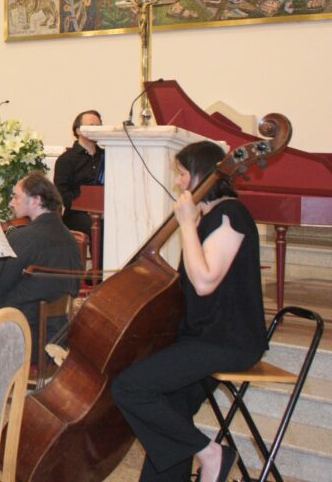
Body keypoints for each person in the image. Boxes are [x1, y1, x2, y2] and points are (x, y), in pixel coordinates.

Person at [112, 141, 266, 482]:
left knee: (129, 388)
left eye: (183, 173)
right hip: (204, 337)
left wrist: (186, 225)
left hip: (228, 341)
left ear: (204, 174)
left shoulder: (230, 214)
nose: (179, 182)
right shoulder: (208, 217)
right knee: (171, 407)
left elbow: (205, 282)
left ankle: (211, 454)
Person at [0, 172, 81, 341]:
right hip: (56, 335)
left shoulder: (23, 238)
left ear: (36, 200)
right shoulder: (70, 239)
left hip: (18, 336)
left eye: (16, 197)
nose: (11, 203)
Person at [55, 109, 105, 234]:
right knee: (99, 227)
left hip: (104, 211)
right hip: (77, 214)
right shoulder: (66, 159)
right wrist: (84, 206)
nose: (96, 130)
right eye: (91, 126)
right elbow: (61, 193)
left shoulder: (106, 156)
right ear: (78, 130)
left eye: (99, 126)